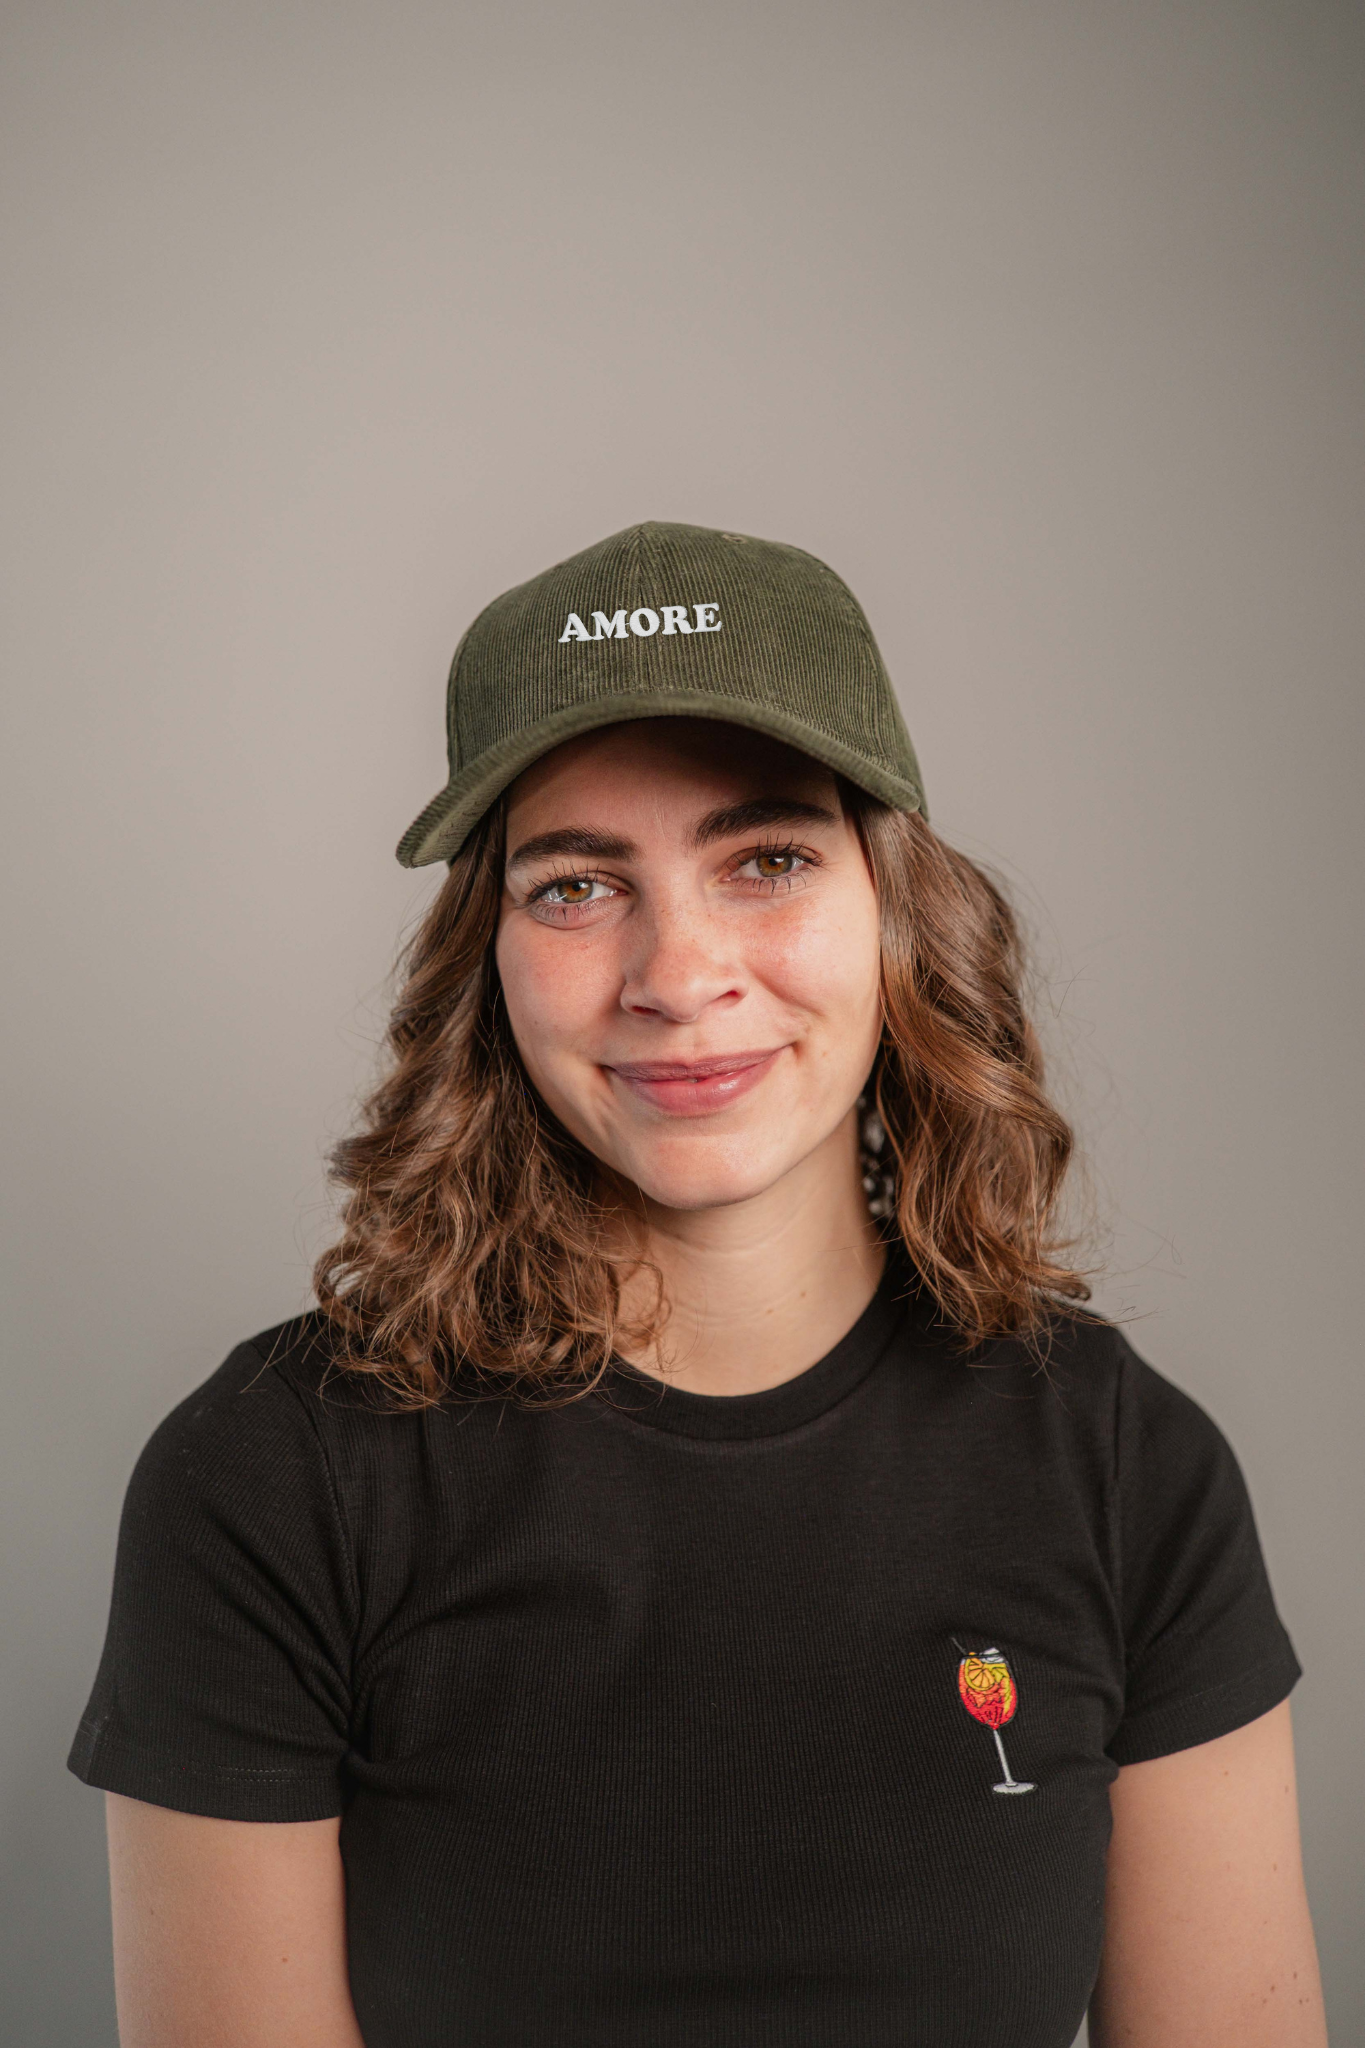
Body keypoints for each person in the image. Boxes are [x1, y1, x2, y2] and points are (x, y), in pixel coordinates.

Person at [70, 523, 1325, 2047]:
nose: (678, 975)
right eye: (575, 886)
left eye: (769, 861)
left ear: (901, 910)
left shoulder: (1130, 1468)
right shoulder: (274, 1479)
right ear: (486, 960)